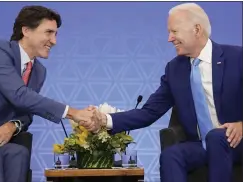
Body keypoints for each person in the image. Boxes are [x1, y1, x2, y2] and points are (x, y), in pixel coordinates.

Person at [82, 3, 243, 182]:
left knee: (216, 137)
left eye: (174, 31)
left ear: (196, 29)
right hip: (202, 146)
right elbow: (149, 112)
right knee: (171, 155)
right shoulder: (175, 69)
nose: (169, 38)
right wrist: (105, 119)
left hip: (237, 142)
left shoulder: (236, 57)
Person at [0, 5, 95, 182]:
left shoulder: (38, 71)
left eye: (55, 34)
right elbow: (20, 95)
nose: (53, 41)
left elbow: (27, 113)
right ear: (26, 30)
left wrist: (13, 125)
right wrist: (73, 113)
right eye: (48, 32)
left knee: (18, 152)